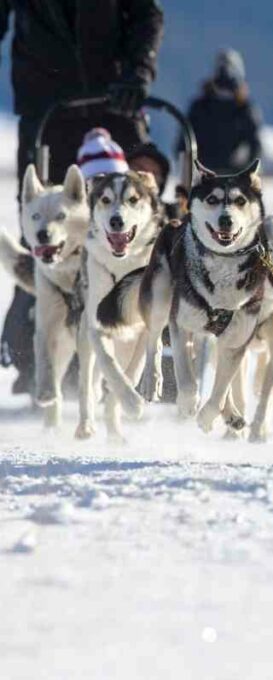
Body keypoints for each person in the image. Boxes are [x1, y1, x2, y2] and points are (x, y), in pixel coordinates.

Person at [0, 0, 164, 394]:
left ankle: (154, 321)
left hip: (117, 98)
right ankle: (38, 340)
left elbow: (146, 15)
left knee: (142, 188)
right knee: (45, 218)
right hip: (45, 106)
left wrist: (138, 74)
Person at [182, 49, 263, 174]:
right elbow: (183, 143)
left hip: (237, 177)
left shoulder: (246, 110)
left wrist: (246, 171)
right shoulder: (199, 107)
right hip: (204, 177)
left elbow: (256, 148)